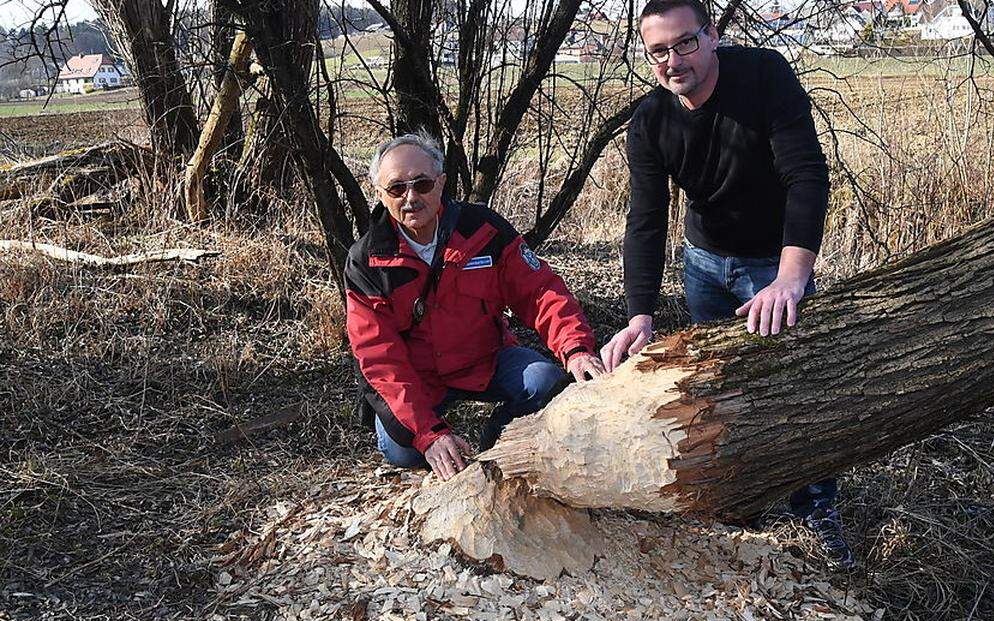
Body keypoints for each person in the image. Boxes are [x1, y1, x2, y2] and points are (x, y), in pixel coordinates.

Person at [599, 0, 853, 568]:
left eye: (685, 43)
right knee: (719, 390)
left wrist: (792, 277)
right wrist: (639, 314)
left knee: (795, 387)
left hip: (773, 264)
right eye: (658, 51)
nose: (673, 60)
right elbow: (645, 219)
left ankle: (815, 507)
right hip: (705, 263)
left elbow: (806, 175)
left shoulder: (764, 76)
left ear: (712, 35)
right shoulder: (650, 120)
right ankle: (737, 503)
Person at [346, 132, 604, 481]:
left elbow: (540, 290)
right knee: (401, 449)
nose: (411, 198)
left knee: (545, 380)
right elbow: (380, 359)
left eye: (422, 184)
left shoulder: (483, 228)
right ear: (379, 194)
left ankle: (496, 444)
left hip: (486, 359)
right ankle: (442, 442)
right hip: (419, 379)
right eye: (396, 189)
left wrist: (575, 348)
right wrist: (429, 434)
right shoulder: (367, 260)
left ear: (441, 183)